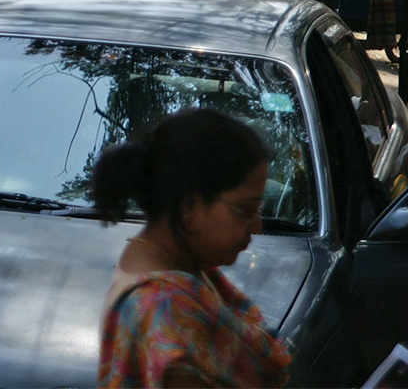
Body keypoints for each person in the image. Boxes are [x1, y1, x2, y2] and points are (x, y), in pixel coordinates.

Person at [93, 108, 290, 388]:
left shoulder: (175, 265)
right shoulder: (166, 308)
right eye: (245, 210)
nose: (257, 226)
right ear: (190, 206)